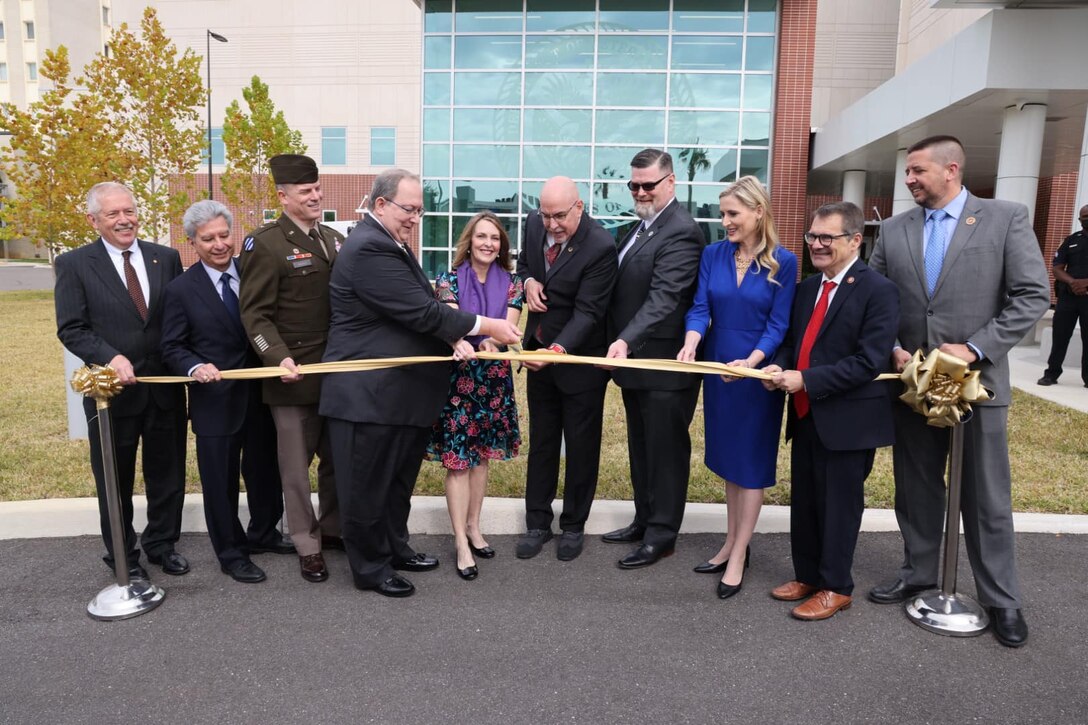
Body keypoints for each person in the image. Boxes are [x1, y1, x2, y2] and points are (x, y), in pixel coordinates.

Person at [868, 135, 1050, 647]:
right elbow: (877, 299)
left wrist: (973, 348)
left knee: (986, 496)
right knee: (917, 485)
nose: (909, 180)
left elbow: (1033, 294)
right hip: (914, 383)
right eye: (907, 172)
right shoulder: (894, 228)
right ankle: (920, 571)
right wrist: (894, 349)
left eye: (918, 171)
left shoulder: (1005, 217)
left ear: (952, 169)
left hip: (977, 387)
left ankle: (1001, 599)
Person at [320, 168, 522, 598]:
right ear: (380, 205)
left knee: (395, 483)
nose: (415, 218)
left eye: (419, 210)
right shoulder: (369, 248)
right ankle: (371, 569)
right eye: (409, 209)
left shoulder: (392, 243)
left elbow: (415, 311)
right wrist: (486, 326)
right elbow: (422, 313)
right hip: (367, 395)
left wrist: (451, 337)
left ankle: (395, 547)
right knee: (368, 488)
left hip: (399, 395)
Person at [763, 202, 899, 620]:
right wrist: (779, 366)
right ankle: (808, 575)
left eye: (827, 237)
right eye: (812, 236)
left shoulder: (878, 290)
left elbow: (869, 360)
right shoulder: (808, 288)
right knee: (805, 502)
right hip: (805, 413)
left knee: (839, 507)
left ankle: (836, 586)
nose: (817, 245)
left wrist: (807, 379)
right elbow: (794, 341)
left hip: (848, 421)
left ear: (856, 240)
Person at [54, 181, 188, 580]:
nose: (124, 220)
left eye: (128, 211)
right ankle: (123, 556)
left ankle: (163, 544)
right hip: (110, 397)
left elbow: (175, 321)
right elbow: (72, 328)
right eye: (113, 214)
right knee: (115, 478)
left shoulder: (166, 257)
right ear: (93, 220)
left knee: (168, 474)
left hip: (164, 389)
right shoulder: (75, 264)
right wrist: (110, 357)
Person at [161, 200, 293, 584]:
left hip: (261, 396)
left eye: (224, 235)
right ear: (192, 243)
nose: (219, 245)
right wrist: (194, 366)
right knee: (220, 481)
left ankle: (265, 533)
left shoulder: (253, 274)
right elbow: (171, 346)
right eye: (208, 239)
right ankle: (231, 553)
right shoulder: (181, 290)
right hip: (214, 402)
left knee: (265, 471)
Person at [677, 176, 796, 598]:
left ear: (758, 212)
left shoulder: (785, 260)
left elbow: (779, 324)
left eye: (733, 213)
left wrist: (752, 363)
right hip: (717, 367)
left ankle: (741, 551)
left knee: (750, 466)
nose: (724, 220)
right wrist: (692, 343)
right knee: (729, 461)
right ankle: (729, 540)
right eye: (723, 212)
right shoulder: (713, 254)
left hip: (755, 375)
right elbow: (700, 307)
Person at [239, 153, 343, 584]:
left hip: (335, 372)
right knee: (296, 470)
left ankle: (335, 530)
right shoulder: (264, 244)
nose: (316, 196)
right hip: (291, 374)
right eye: (306, 191)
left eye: (317, 188)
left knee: (336, 460)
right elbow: (255, 314)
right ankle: (306, 543)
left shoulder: (334, 239)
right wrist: (274, 356)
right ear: (283, 195)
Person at [602, 148, 707, 568]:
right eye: (635, 185)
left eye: (649, 184)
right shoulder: (639, 229)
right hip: (636, 366)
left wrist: (625, 340)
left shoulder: (681, 231)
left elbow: (665, 298)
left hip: (664, 365)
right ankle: (643, 520)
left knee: (665, 453)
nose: (641, 191)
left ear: (671, 182)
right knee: (641, 447)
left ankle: (662, 534)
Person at [514, 176, 618, 562]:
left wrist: (556, 351)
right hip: (538, 352)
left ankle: (573, 525)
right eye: (546, 215)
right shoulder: (532, 223)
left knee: (580, 445)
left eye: (560, 216)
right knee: (541, 442)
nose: (552, 225)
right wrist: (527, 281)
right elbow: (525, 262)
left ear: (579, 207)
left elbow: (590, 312)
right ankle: (537, 523)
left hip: (578, 360)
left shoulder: (601, 246)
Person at [426, 212, 525, 580]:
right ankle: (460, 543)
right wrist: (462, 340)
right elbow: (451, 322)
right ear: (469, 240)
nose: (488, 243)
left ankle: (474, 526)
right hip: (459, 379)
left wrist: (493, 340)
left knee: (481, 457)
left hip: (494, 380)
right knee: (458, 460)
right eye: (481, 236)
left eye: (495, 238)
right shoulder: (448, 279)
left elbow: (509, 328)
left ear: (502, 245)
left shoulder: (513, 283)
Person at [1038, 204, 1088, 387]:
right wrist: (1073, 282)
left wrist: (1085, 282)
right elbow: (1057, 268)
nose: (1086, 218)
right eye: (1083, 216)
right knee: (1060, 336)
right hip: (1069, 297)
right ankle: (1051, 374)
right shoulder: (1071, 240)